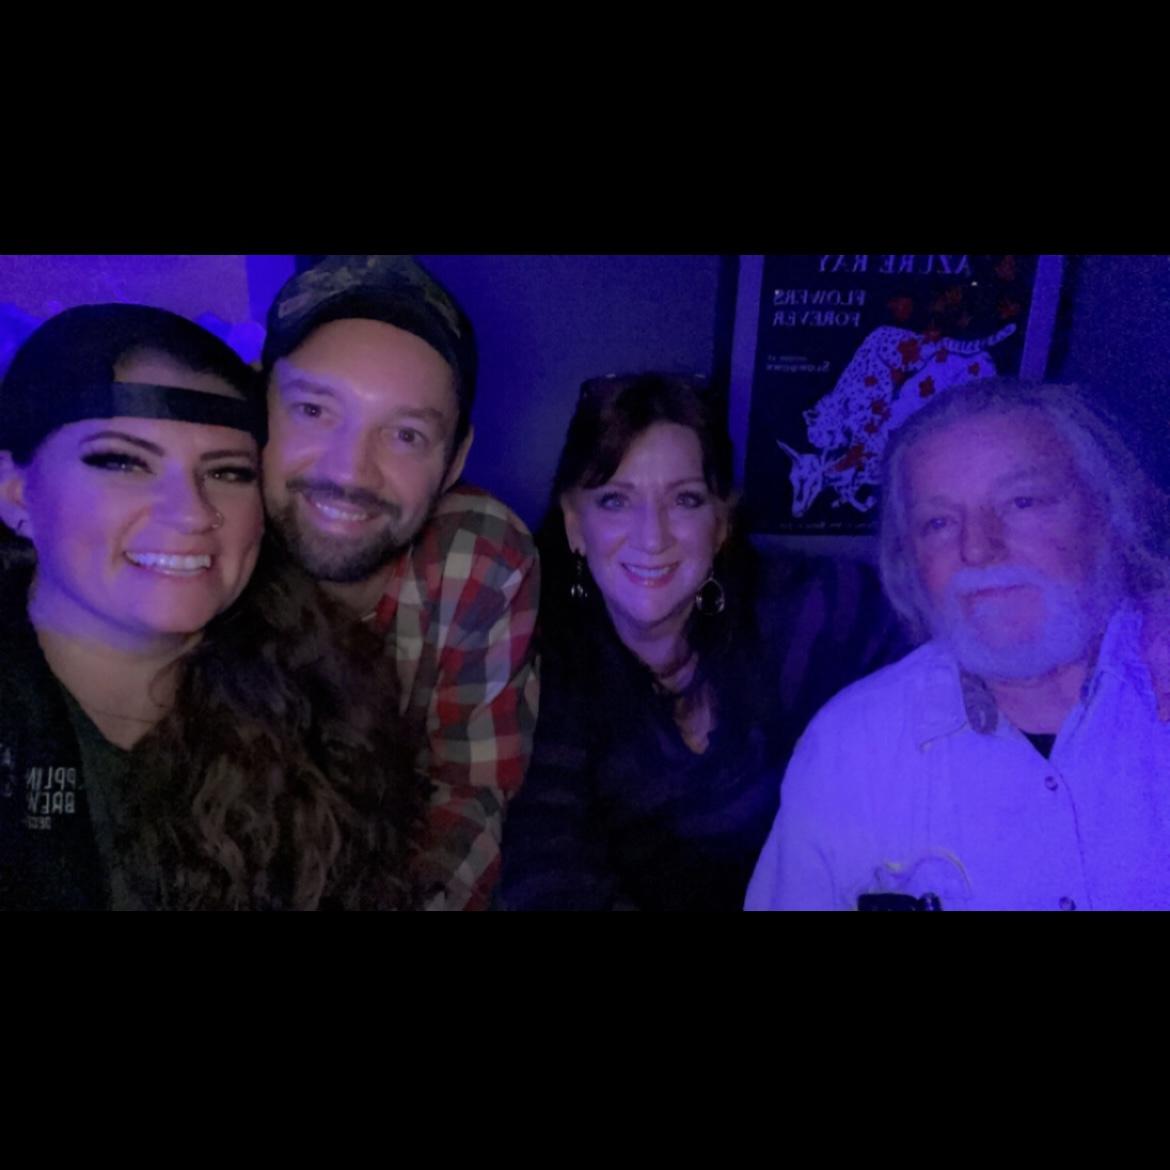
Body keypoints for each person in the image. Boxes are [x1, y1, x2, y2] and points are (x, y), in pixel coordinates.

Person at [0, 303, 424, 911]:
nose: (192, 513)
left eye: (228, 472)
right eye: (122, 461)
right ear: (15, 493)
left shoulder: (330, 709)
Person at [746, 379, 1170, 911]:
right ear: (909, 561)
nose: (978, 548)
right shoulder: (848, 747)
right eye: (939, 523)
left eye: (1022, 501)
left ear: (1107, 515)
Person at [497, 373, 908, 911]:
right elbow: (546, 867)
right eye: (616, 501)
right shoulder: (545, 657)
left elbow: (935, 632)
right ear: (575, 527)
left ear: (720, 524)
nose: (652, 537)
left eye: (685, 500)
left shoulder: (800, 608)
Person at [259, 256, 539, 911]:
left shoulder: (480, 558)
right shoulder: (198, 542)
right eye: (313, 409)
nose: (349, 472)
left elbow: (470, 793)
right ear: (257, 405)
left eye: (406, 434)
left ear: (455, 460)